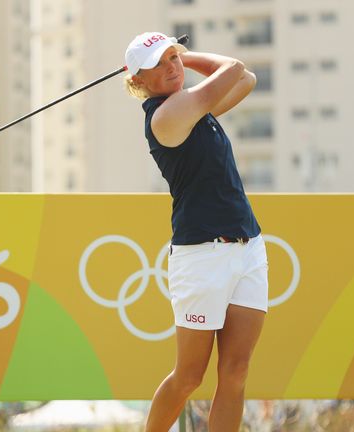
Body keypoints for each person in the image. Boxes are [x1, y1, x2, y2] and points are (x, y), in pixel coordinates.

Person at [123, 32, 269, 431]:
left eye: (174, 58)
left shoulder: (194, 109)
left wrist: (176, 55)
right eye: (159, 63)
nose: (171, 66)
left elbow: (247, 79)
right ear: (137, 80)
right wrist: (188, 54)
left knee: (236, 372)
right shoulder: (166, 116)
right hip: (202, 255)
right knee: (189, 376)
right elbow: (234, 68)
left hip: (248, 246)